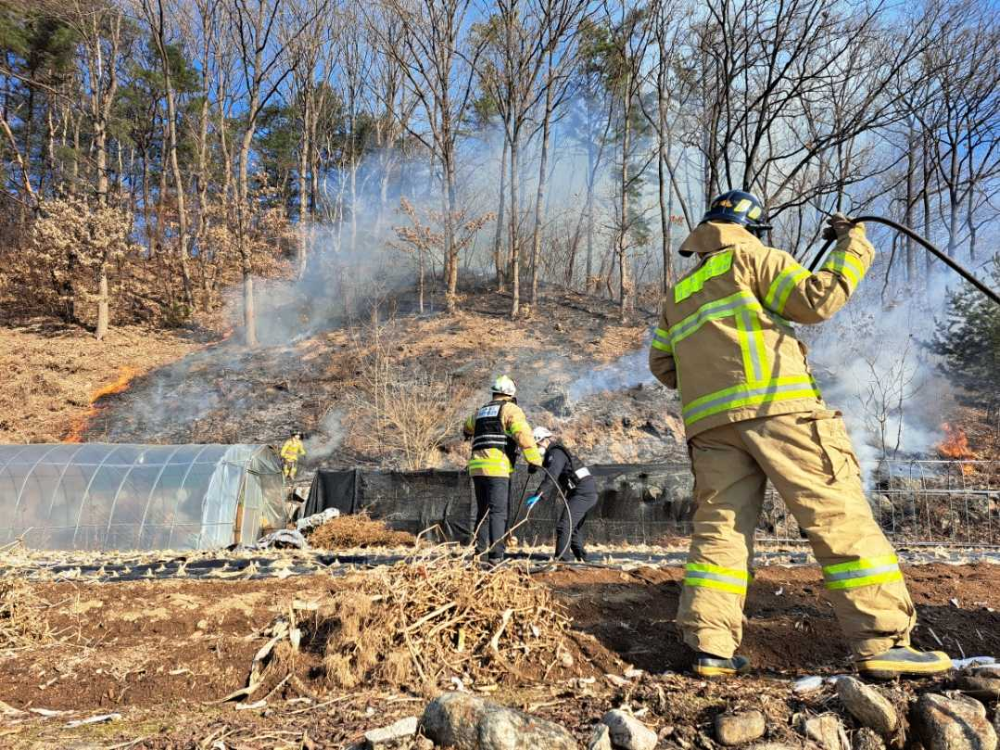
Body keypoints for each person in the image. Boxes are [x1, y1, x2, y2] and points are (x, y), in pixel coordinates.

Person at [648, 190, 952, 680]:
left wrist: (714, 375)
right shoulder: (755, 257)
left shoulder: (677, 296)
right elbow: (818, 300)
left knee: (721, 532)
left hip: (711, 429)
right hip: (778, 411)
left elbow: (662, 364)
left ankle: (712, 648)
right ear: (750, 230)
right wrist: (852, 245)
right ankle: (882, 641)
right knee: (837, 515)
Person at [463, 376, 543, 564]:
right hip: (497, 468)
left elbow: (467, 427)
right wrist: (534, 460)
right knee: (498, 512)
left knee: (483, 512)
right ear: (510, 393)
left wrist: (470, 432)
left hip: (476, 468)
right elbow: (523, 434)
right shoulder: (510, 409)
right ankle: (496, 556)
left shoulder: (481, 411)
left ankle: (480, 553)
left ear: (495, 392)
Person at [526, 427, 598, 562]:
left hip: (583, 493)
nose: (535, 449)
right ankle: (583, 558)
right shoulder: (554, 453)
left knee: (564, 525)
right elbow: (546, 465)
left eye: (535, 446)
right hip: (582, 492)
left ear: (542, 442)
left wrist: (539, 494)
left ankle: (562, 561)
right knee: (573, 527)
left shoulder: (556, 453)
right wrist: (533, 465)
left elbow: (552, 475)